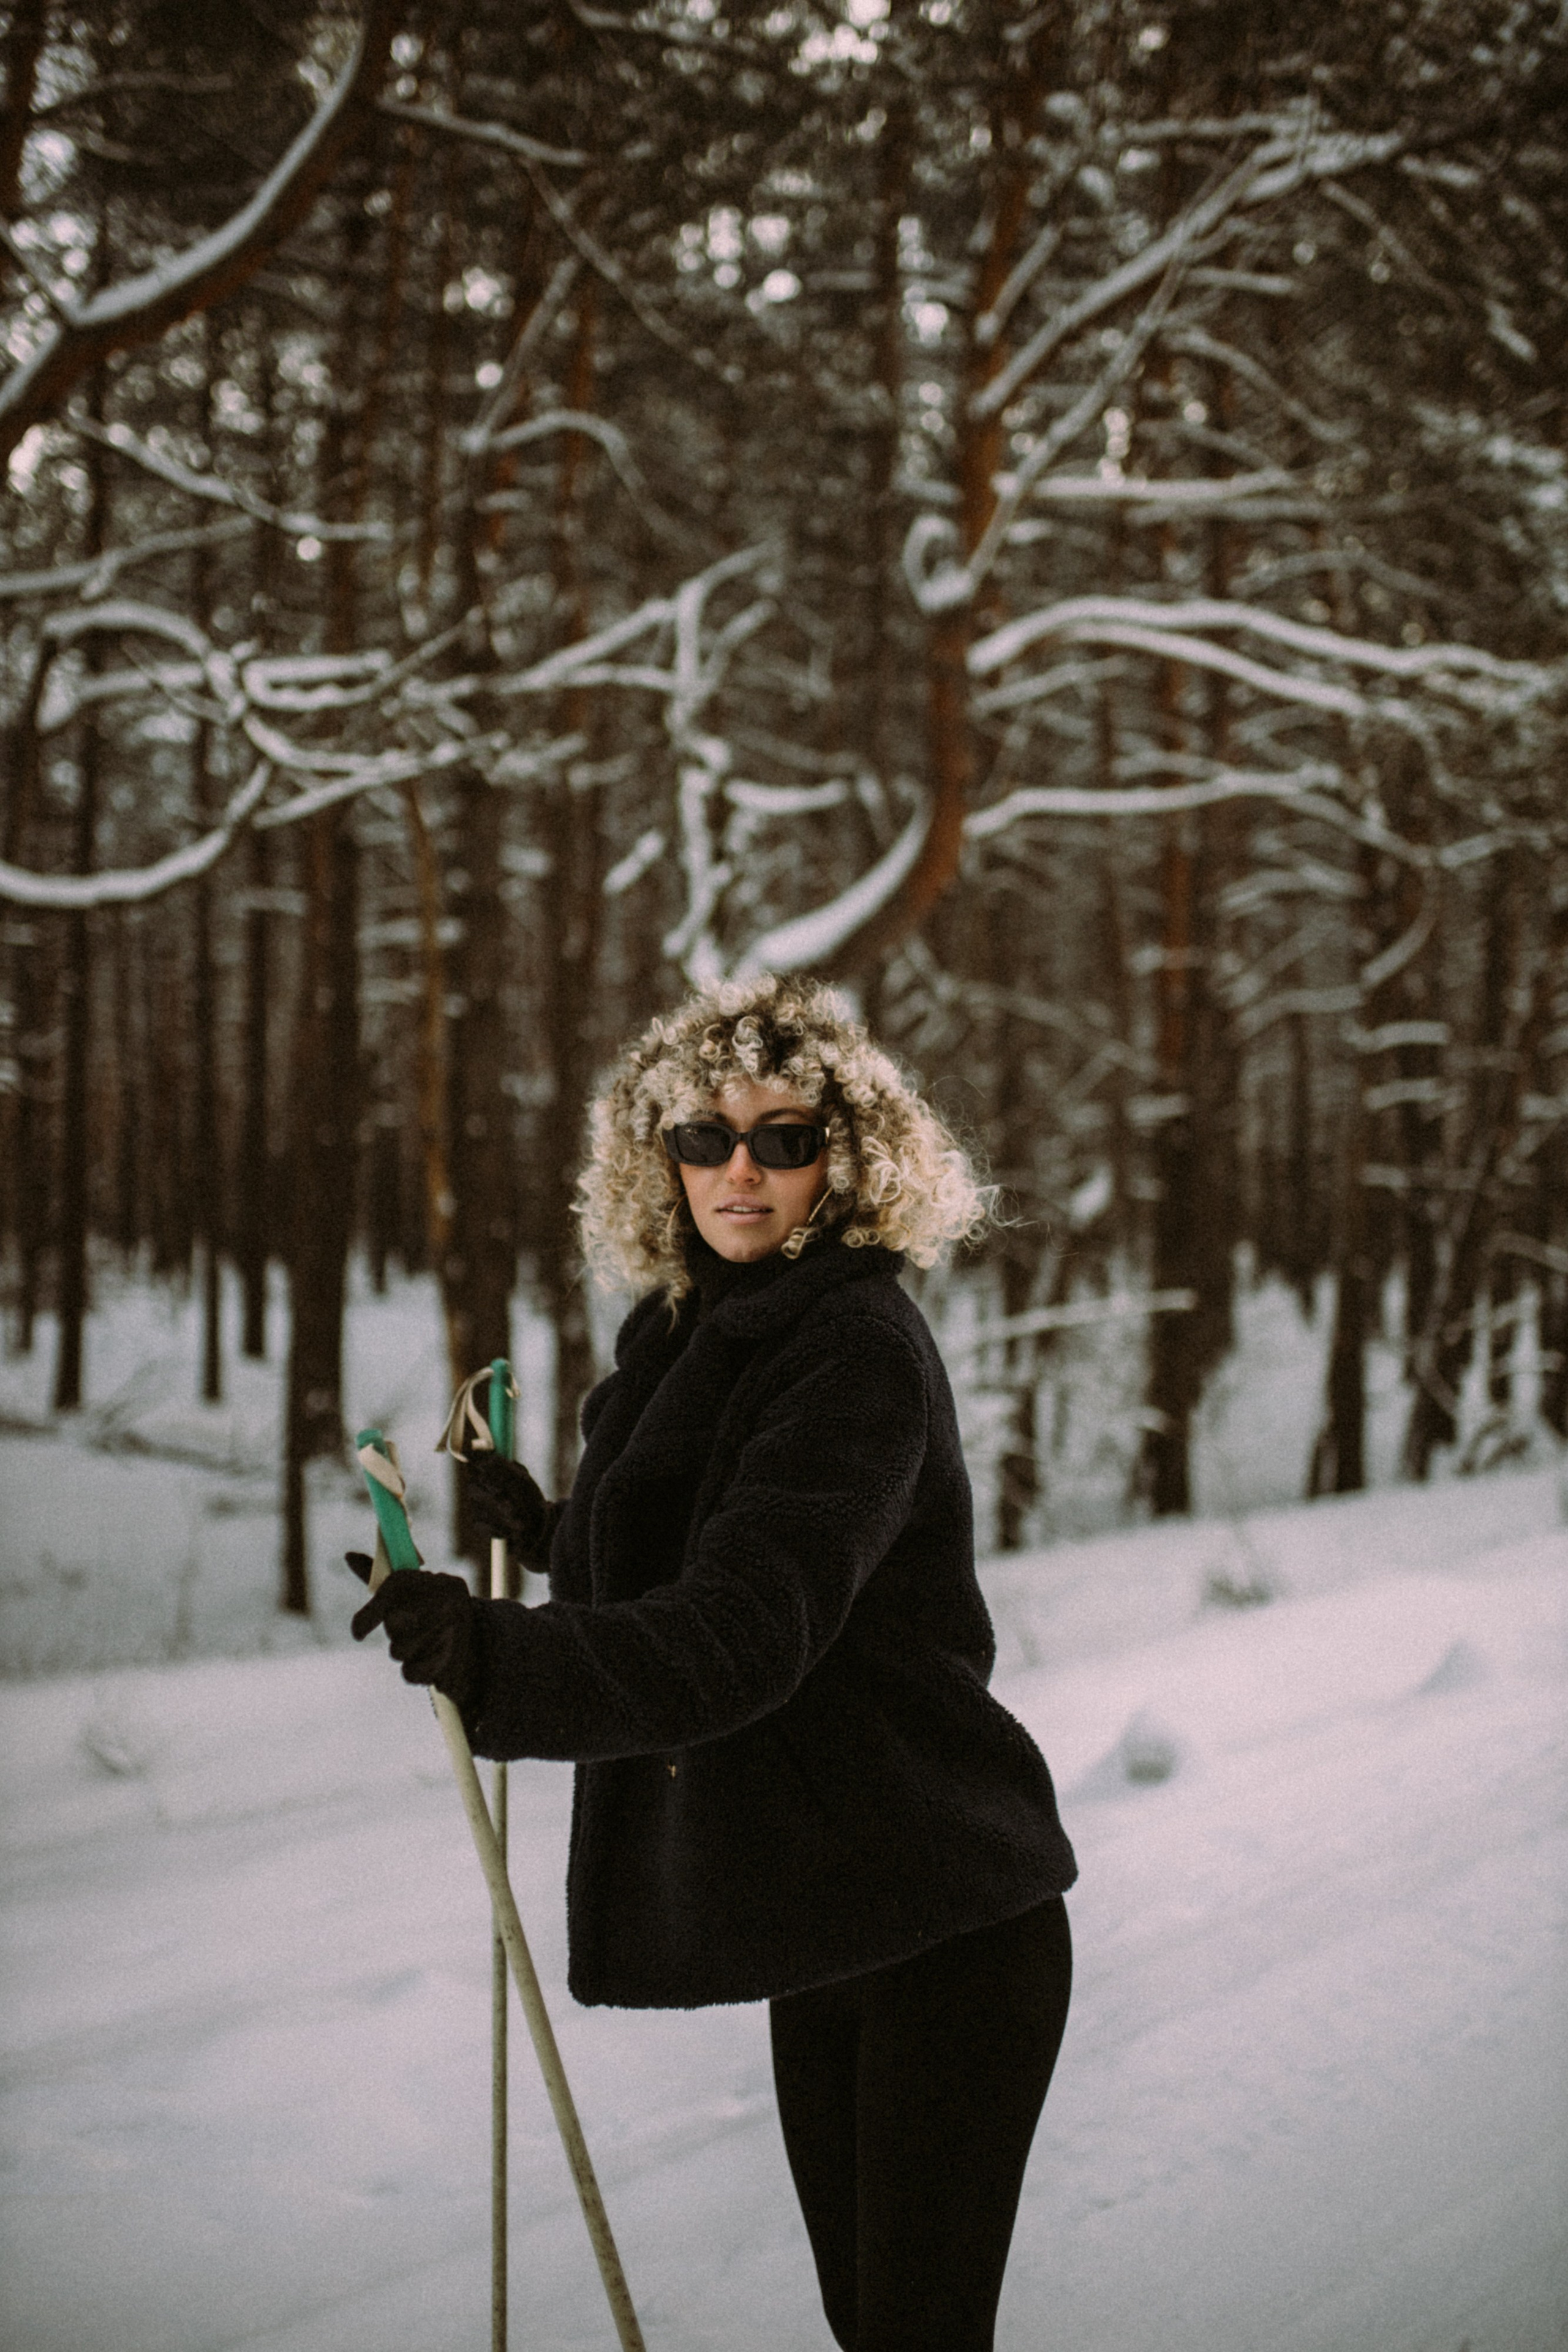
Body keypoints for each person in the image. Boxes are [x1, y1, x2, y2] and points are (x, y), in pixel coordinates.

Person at [352, 975, 1077, 2352]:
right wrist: (563, 1536)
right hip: (828, 1911)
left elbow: (747, 1630)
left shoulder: (852, 1347)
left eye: (782, 1137)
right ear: (660, 1155)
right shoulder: (683, 1330)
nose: (738, 1168)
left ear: (845, 1161)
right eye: (703, 1136)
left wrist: (503, 1658)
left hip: (942, 1920)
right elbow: (711, 1546)